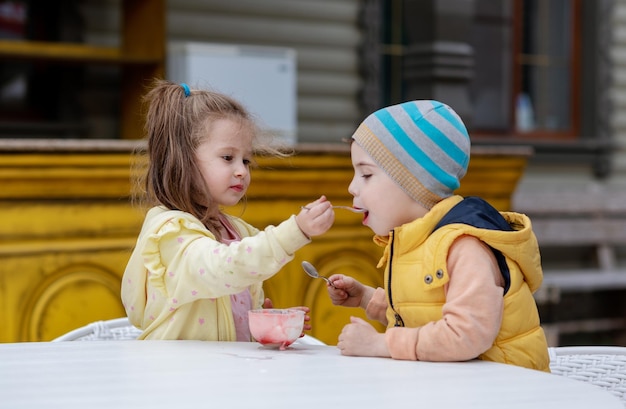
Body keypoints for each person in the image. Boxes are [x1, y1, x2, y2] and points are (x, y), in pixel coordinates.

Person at [326, 100, 550, 371]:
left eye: (366, 174)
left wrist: (381, 345)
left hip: (511, 394)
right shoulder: (421, 239)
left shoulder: (464, 247)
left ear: (414, 182)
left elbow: (465, 335)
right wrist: (366, 298)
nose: (352, 187)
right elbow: (426, 312)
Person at [121, 80, 334, 341]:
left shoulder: (237, 231)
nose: (242, 171)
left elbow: (233, 299)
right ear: (183, 158)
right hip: (177, 377)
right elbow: (225, 267)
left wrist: (262, 326)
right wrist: (296, 231)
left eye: (246, 160)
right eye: (227, 158)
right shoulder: (169, 234)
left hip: (225, 374)